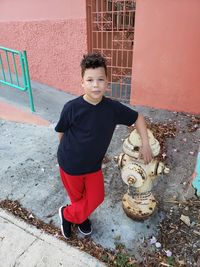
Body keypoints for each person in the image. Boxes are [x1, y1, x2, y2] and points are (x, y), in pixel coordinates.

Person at [55, 52, 153, 239]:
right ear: (82, 83)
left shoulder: (113, 109)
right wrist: (67, 155)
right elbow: (61, 131)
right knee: (78, 199)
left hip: (93, 167)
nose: (95, 84)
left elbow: (138, 117)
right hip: (70, 166)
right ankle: (81, 218)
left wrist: (146, 144)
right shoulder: (71, 108)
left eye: (100, 79)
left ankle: (67, 215)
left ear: (107, 82)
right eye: (90, 80)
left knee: (96, 197)